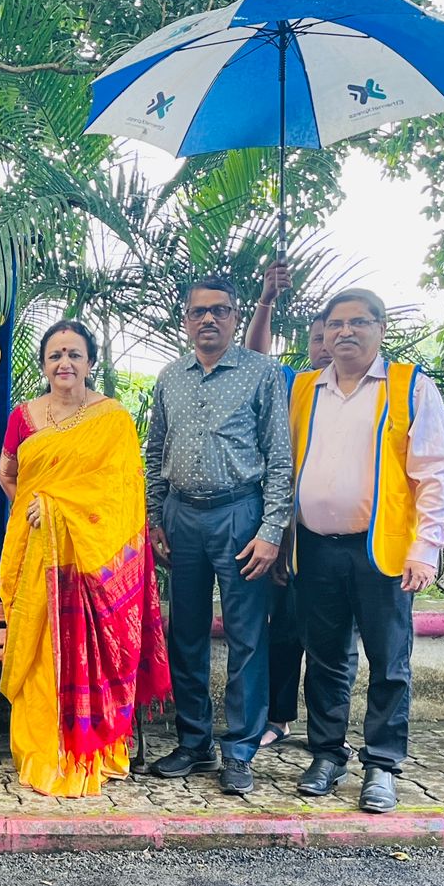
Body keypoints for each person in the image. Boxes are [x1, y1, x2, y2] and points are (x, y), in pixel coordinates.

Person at [290, 288, 444, 813]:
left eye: (358, 322)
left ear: (380, 329)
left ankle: (381, 764)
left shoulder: (409, 387)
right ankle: (326, 754)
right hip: (315, 547)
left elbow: (434, 472)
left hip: (381, 548)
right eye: (335, 324)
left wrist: (426, 547)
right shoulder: (304, 389)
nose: (345, 333)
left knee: (388, 661)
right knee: (325, 658)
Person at [0, 321, 173, 796]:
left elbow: (123, 490)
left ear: (90, 362)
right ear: (43, 365)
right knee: (40, 655)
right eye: (55, 355)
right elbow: (8, 473)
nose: (64, 364)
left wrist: (58, 509)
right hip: (38, 557)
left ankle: (94, 749)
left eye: (74, 354)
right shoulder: (24, 416)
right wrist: (36, 514)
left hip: (92, 563)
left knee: (87, 652)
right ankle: (42, 750)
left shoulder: (111, 418)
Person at [145, 276, 292, 796]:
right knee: (184, 633)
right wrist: (154, 516)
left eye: (220, 311)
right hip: (183, 518)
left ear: (234, 318)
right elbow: (154, 450)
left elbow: (279, 458)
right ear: (185, 321)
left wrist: (272, 530)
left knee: (246, 636)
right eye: (198, 311)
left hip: (241, 516)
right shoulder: (169, 377)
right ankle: (193, 742)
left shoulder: (261, 373)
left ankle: (241, 749)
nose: (209, 319)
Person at [247, 291, 340, 748]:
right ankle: (278, 716)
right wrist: (266, 301)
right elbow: (255, 355)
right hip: (290, 528)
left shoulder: (381, 392)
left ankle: (330, 733)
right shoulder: (295, 385)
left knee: (331, 639)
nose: (326, 344)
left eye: (333, 334)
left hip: (346, 540)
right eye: (318, 337)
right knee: (282, 628)